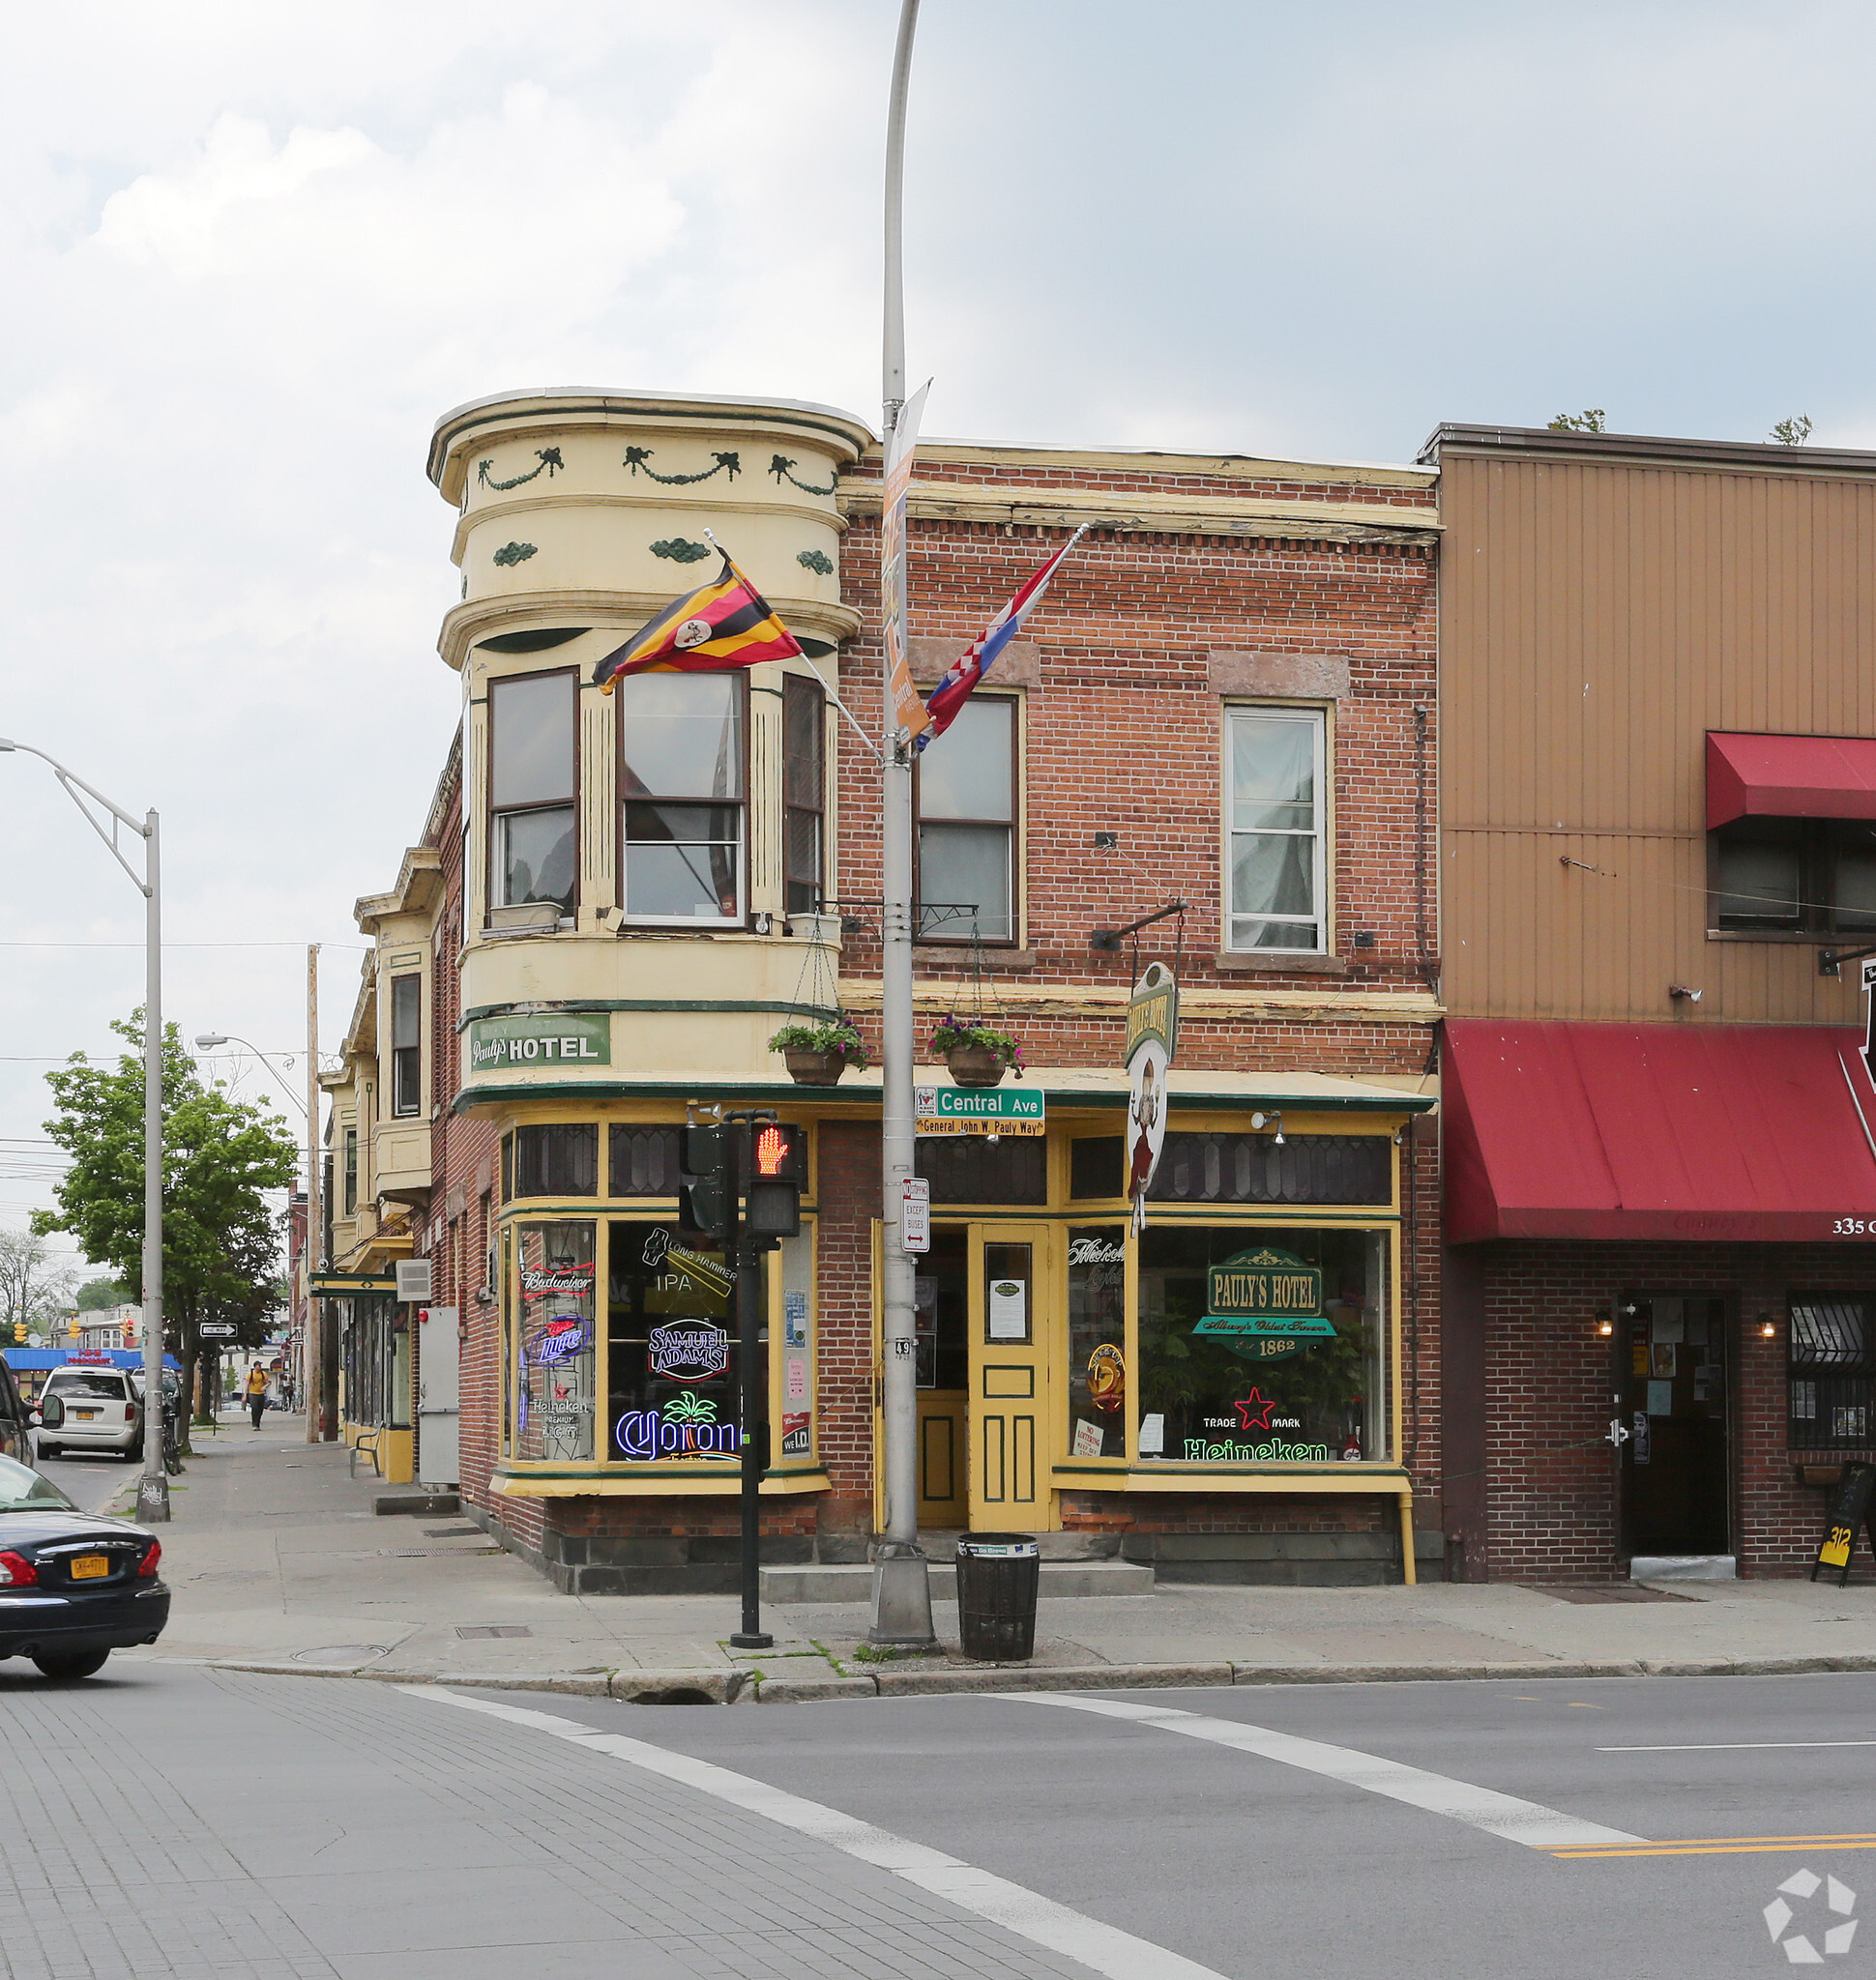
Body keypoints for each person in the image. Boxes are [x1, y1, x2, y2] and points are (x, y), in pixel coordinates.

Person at [244, 1360, 269, 1431]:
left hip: (261, 1394)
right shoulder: (250, 1374)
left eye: (260, 1366)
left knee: (260, 1409)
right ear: (255, 1367)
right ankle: (254, 1424)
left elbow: (268, 1382)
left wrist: (265, 1386)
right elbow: (247, 1385)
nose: (260, 1367)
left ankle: (258, 1423)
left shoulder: (263, 1374)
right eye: (258, 1366)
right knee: (255, 1408)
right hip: (253, 1393)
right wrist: (245, 1395)